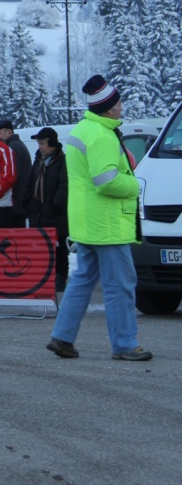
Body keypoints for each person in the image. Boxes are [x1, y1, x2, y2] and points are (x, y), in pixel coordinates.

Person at [47, 75, 151, 362]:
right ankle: (125, 344)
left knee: (82, 280)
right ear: (108, 108)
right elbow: (106, 181)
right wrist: (135, 185)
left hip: (87, 220)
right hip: (107, 224)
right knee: (120, 285)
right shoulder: (103, 135)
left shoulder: (83, 129)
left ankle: (62, 337)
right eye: (118, 102)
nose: (121, 106)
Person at [25, 128, 69, 290]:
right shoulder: (38, 161)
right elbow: (30, 183)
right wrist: (27, 204)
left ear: (52, 143)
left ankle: (60, 277)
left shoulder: (62, 161)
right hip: (38, 212)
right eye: (39, 144)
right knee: (40, 248)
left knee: (58, 249)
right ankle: (43, 277)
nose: (40, 147)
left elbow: (65, 185)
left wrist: (56, 204)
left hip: (55, 214)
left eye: (42, 143)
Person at [0, 121, 32, 228]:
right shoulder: (16, 145)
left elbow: (13, 174)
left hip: (16, 202)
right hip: (18, 201)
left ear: (9, 132)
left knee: (15, 237)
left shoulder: (13, 147)